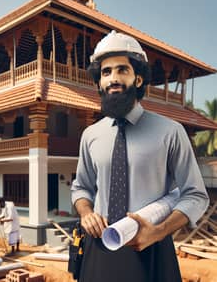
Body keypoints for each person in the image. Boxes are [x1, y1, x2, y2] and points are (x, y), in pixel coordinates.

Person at [71, 31, 209, 282]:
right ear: (100, 83)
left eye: (122, 70)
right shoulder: (90, 135)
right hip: (98, 248)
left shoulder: (170, 131)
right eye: (106, 72)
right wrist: (86, 213)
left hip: (151, 249)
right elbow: (81, 187)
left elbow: (196, 195)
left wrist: (158, 232)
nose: (113, 78)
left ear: (138, 79)